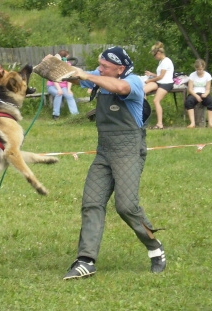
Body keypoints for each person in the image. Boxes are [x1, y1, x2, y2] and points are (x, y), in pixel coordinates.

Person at [55, 46, 166, 280]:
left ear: (120, 69)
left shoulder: (132, 82)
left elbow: (120, 88)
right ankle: (86, 260)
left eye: (105, 66)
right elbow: (77, 78)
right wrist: (55, 66)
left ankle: (154, 247)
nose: (100, 68)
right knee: (91, 203)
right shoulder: (100, 77)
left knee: (126, 206)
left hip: (128, 151)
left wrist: (87, 75)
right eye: (99, 64)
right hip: (104, 151)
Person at [143, 41, 174, 129]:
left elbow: (161, 76)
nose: (154, 57)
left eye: (154, 55)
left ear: (159, 53)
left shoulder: (166, 61)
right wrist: (151, 74)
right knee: (142, 91)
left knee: (156, 101)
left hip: (166, 83)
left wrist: (150, 81)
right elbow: (159, 75)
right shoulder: (161, 62)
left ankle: (160, 124)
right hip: (159, 82)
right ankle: (143, 113)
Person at [185, 59, 212, 128]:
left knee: (211, 102)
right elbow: (190, 89)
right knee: (188, 102)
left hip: (204, 93)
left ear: (203, 67)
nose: (199, 71)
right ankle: (192, 123)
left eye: (200, 69)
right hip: (194, 93)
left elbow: (208, 88)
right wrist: (196, 96)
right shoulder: (192, 75)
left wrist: (205, 94)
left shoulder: (207, 76)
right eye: (197, 69)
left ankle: (210, 123)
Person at [46, 50, 79, 120]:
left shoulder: (68, 64)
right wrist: (59, 89)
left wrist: (69, 89)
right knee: (59, 93)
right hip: (52, 85)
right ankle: (55, 115)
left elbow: (70, 78)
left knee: (69, 95)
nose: (67, 58)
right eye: (66, 56)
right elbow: (54, 79)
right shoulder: (54, 65)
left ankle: (75, 115)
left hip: (63, 86)